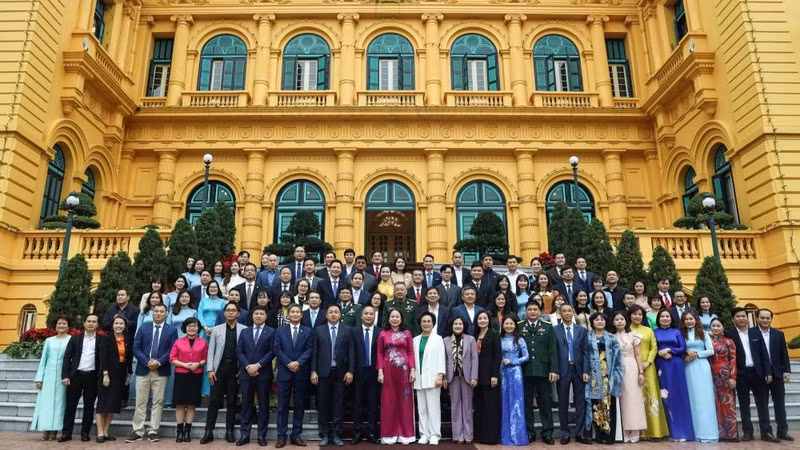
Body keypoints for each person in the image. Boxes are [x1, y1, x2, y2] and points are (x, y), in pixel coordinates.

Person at [127, 304, 178, 443]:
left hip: (161, 370)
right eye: (156, 311)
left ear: (166, 313)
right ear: (152, 313)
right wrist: (146, 361)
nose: (159, 313)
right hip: (143, 369)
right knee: (140, 401)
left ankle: (153, 431)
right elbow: (136, 347)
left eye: (162, 311)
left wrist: (159, 362)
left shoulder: (172, 330)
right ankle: (138, 431)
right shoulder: (144, 328)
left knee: (158, 402)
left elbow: (172, 350)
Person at [725, 307, 773, 442]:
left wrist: (768, 371)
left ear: (747, 318)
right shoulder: (729, 334)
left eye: (743, 316)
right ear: (733, 319)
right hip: (741, 374)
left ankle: (766, 432)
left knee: (762, 404)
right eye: (738, 316)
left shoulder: (756, 333)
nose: (741, 318)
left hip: (758, 373)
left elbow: (764, 353)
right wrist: (732, 375)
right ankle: (748, 432)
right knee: (744, 405)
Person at [201, 301, 246, 444]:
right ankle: (208, 431)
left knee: (232, 401)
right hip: (218, 369)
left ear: (238, 314)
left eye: (233, 310)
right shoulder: (216, 329)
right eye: (228, 310)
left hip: (235, 370)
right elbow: (211, 351)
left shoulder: (244, 330)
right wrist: (210, 370)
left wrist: (242, 370)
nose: (230, 312)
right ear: (224, 313)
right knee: (214, 400)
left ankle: (229, 431)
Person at [311, 303, 355, 447]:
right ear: (326, 315)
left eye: (336, 312)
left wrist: (350, 371)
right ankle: (324, 434)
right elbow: (314, 353)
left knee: (338, 405)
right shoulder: (319, 330)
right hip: (323, 373)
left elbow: (351, 352)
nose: (334, 314)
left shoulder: (347, 330)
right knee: (323, 405)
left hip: (341, 373)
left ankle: (337, 434)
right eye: (331, 312)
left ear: (340, 314)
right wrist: (313, 371)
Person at [273, 304, 312, 448]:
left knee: (299, 405)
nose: (295, 314)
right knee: (282, 406)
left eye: (297, 312)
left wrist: (298, 362)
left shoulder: (308, 331)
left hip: (301, 372)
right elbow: (277, 349)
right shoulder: (280, 331)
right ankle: (281, 436)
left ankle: (296, 435)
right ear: (288, 315)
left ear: (301, 315)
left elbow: (309, 349)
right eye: (292, 312)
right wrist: (289, 363)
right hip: (285, 372)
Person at [236, 305, 275, 447]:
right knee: (246, 405)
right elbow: (239, 351)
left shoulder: (271, 332)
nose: (258, 316)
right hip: (246, 374)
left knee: (263, 405)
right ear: (252, 316)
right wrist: (248, 366)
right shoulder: (244, 332)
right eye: (256, 314)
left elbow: (272, 352)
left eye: (261, 314)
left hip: (263, 373)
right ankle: (244, 434)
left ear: (266, 316)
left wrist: (258, 365)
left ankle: (261, 435)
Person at [519, 301, 557, 444]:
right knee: (527, 404)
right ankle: (529, 432)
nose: (532, 312)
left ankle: (547, 432)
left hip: (543, 370)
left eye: (535, 309)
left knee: (545, 403)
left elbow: (552, 349)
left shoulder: (547, 326)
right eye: (530, 309)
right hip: (525, 370)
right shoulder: (519, 326)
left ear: (540, 312)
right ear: (526, 312)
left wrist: (553, 369)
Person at [628, 305, 668, 440]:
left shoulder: (648, 330)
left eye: (640, 314)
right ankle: (639, 432)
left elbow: (654, 347)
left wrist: (648, 362)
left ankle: (654, 431)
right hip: (632, 367)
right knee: (636, 397)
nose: (637, 316)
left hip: (649, 367)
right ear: (629, 315)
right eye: (634, 314)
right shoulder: (626, 330)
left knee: (652, 396)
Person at [377, 308, 416, 445]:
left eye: (397, 317)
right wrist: (380, 371)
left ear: (401, 319)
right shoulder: (383, 334)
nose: (394, 319)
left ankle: (406, 434)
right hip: (388, 372)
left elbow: (410, 352)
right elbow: (380, 353)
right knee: (389, 402)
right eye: (392, 316)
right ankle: (389, 434)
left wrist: (413, 369)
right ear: (388, 319)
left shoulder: (407, 334)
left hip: (405, 372)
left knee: (405, 402)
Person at [653, 309, 694, 441]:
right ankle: (668, 431)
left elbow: (683, 348)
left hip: (676, 366)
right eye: (662, 316)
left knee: (678, 394)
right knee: (664, 395)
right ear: (658, 319)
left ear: (671, 319)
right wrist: (660, 353)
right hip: (661, 366)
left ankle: (681, 430)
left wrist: (669, 349)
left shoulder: (677, 332)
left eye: (667, 316)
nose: (665, 318)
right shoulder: (654, 332)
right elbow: (652, 348)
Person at [59, 313, 100, 443]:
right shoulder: (75, 339)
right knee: (70, 405)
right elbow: (67, 357)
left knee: (89, 406)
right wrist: (65, 375)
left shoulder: (102, 340)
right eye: (89, 321)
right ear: (84, 323)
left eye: (94, 321)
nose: (91, 323)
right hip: (75, 376)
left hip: (92, 376)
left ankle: (85, 433)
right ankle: (66, 433)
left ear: (97, 324)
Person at [553, 304, 591, 444]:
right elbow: (553, 352)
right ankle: (565, 434)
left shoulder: (581, 330)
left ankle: (580, 434)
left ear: (573, 312)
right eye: (564, 311)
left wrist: (586, 370)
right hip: (563, 370)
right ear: (560, 313)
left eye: (570, 311)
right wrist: (555, 370)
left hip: (579, 370)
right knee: (563, 403)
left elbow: (586, 352)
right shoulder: (555, 330)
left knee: (580, 403)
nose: (567, 313)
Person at [679, 310, 718, 442]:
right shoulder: (681, 334)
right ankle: (694, 432)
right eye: (686, 319)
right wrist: (686, 353)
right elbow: (680, 349)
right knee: (692, 398)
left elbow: (711, 350)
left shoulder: (703, 333)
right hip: (688, 367)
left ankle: (708, 432)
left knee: (704, 398)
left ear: (696, 320)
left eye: (691, 319)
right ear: (683, 321)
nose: (689, 321)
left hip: (702, 366)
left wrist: (697, 354)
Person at [754, 308, 793, 442]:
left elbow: (784, 353)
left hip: (777, 374)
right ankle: (766, 432)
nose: (765, 320)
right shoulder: (751, 333)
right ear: (757, 318)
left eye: (768, 318)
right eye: (762, 317)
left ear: (771, 319)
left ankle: (782, 431)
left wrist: (786, 370)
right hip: (760, 375)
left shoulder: (778, 334)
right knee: (762, 404)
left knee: (780, 404)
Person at [585, 312, 623, 444]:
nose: (600, 322)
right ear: (592, 322)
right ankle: (599, 436)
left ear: (606, 322)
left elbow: (618, 358)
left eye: (602, 319)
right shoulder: (587, 338)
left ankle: (609, 436)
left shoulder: (612, 338)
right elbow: (584, 356)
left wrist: (617, 374)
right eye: (596, 320)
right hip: (594, 376)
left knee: (608, 404)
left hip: (608, 376)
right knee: (596, 405)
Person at [31, 315, 70, 441]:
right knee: (46, 403)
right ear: (56, 326)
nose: (61, 325)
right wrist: (39, 378)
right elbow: (44, 360)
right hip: (48, 375)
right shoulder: (49, 341)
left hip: (63, 377)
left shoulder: (71, 340)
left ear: (68, 326)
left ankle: (55, 430)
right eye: (59, 323)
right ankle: (45, 429)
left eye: (64, 323)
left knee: (60, 403)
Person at [170, 317, 208, 443]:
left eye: (194, 326)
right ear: (185, 328)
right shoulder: (178, 341)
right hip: (181, 374)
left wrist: (198, 364)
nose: (192, 328)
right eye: (189, 326)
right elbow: (172, 358)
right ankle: (179, 432)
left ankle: (187, 432)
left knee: (192, 404)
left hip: (196, 374)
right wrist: (184, 365)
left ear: (198, 328)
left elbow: (206, 358)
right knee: (180, 404)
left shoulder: (203, 342)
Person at [95, 316, 133, 443]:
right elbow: (103, 357)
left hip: (120, 375)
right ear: (112, 325)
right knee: (102, 404)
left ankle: (106, 432)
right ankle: (100, 433)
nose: (118, 326)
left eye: (121, 324)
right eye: (116, 323)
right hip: (107, 374)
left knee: (112, 405)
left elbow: (129, 358)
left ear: (125, 326)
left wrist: (129, 374)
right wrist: (105, 374)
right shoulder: (106, 339)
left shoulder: (127, 339)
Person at [611, 311, 647, 443]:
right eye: (616, 319)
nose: (619, 321)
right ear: (613, 322)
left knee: (633, 398)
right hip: (616, 368)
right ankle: (623, 430)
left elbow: (638, 355)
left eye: (622, 319)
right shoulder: (610, 337)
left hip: (631, 367)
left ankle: (635, 429)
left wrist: (641, 372)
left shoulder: (633, 336)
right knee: (620, 399)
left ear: (626, 321)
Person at [443, 316, 478, 444]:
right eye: (455, 324)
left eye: (460, 324)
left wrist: (474, 376)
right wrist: (444, 377)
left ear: (464, 326)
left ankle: (468, 435)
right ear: (452, 326)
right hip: (452, 377)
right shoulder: (445, 340)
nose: (458, 326)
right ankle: (457, 435)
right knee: (455, 406)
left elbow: (474, 359)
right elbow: (444, 360)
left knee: (467, 406)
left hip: (467, 377)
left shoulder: (470, 339)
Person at [100, 289, 138, 407]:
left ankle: (123, 399)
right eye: (118, 295)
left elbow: (136, 324)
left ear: (128, 297)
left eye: (122, 295)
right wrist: (114, 320)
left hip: (127, 342)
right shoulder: (111, 309)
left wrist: (124, 321)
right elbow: (104, 325)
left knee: (125, 370)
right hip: (112, 342)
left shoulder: (134, 310)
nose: (120, 297)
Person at [413, 312, 446, 445]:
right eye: (424, 321)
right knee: (422, 408)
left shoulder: (438, 339)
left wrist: (440, 375)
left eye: (429, 321)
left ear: (433, 324)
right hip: (419, 377)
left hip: (433, 378)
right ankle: (424, 434)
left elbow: (441, 357)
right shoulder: (415, 340)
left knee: (433, 408)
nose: (426, 324)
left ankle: (434, 434)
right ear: (420, 324)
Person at [352, 305, 381, 444]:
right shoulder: (354, 331)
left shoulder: (380, 332)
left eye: (371, 314)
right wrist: (351, 370)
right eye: (366, 314)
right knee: (357, 404)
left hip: (374, 372)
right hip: (358, 372)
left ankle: (371, 432)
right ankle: (357, 432)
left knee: (373, 404)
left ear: (374, 316)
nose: (369, 316)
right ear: (361, 316)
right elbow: (351, 352)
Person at [500, 316, 530, 446]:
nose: (508, 326)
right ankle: (505, 435)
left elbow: (526, 357)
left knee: (516, 403)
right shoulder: (500, 339)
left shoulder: (520, 340)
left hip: (515, 373)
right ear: (502, 325)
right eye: (506, 323)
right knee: (504, 402)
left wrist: (512, 361)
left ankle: (517, 436)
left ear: (515, 325)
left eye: (511, 324)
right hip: (502, 373)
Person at [473, 311, 501, 445]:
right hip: (477, 376)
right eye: (480, 318)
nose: (482, 320)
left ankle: (491, 437)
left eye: (485, 318)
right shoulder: (474, 335)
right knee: (480, 407)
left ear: (489, 320)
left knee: (490, 408)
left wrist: (495, 375)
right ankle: (480, 436)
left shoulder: (494, 334)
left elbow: (497, 356)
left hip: (490, 376)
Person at [709, 317, 739, 442]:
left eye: (718, 326)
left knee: (728, 404)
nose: (716, 328)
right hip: (710, 374)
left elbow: (733, 359)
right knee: (716, 403)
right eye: (713, 326)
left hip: (725, 375)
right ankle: (720, 434)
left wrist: (733, 377)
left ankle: (731, 434)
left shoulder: (728, 341)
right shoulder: (707, 340)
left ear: (723, 327)